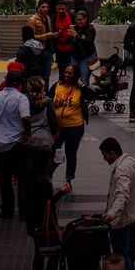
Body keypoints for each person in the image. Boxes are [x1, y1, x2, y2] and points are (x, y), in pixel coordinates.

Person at [0, 64, 31, 219]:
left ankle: (7, 210)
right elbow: (26, 117)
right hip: (17, 144)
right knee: (22, 178)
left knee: (4, 179)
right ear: (20, 84)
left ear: (6, 82)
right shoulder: (21, 98)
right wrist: (27, 134)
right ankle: (23, 210)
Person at [100, 137, 135, 270]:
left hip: (122, 221)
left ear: (112, 153)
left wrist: (111, 214)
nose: (104, 158)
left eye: (105, 155)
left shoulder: (121, 170)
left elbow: (122, 195)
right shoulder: (133, 162)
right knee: (129, 254)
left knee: (122, 256)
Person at [24, 144, 66, 270]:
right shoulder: (42, 182)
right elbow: (48, 202)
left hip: (32, 219)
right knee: (54, 252)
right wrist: (61, 193)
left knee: (39, 251)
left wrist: (55, 164)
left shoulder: (31, 174)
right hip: (46, 221)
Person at [49, 63, 89, 191]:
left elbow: (92, 95)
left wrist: (82, 85)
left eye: (70, 73)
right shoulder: (56, 86)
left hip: (74, 127)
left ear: (75, 75)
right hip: (58, 128)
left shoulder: (79, 88)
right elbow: (48, 100)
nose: (66, 75)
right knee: (54, 152)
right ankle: (48, 175)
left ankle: (68, 180)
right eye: (65, 72)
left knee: (71, 153)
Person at [70, 8, 97, 85]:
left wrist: (77, 37)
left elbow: (88, 42)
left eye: (81, 20)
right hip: (75, 56)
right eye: (77, 20)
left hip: (86, 57)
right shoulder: (75, 27)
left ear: (85, 19)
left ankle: (84, 95)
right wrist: (69, 36)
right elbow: (68, 41)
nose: (79, 22)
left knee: (84, 78)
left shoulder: (91, 30)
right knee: (73, 77)